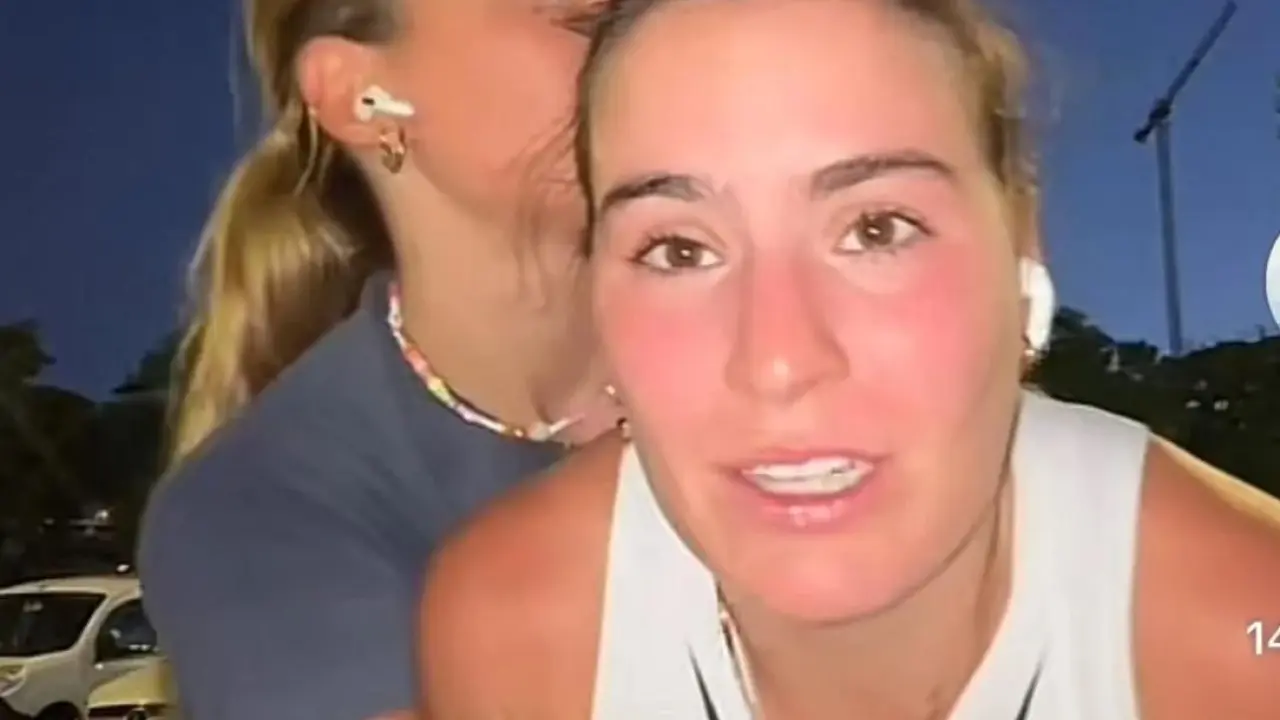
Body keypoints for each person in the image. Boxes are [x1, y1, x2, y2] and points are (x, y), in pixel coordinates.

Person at [418, 0, 1280, 718]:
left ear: (1021, 247)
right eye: (679, 249)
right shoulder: (521, 639)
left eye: (876, 230)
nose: (779, 361)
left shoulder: (1247, 643)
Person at [137, 1, 615, 719]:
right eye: (587, 19)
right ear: (360, 97)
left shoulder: (774, 350)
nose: (654, 35)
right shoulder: (254, 512)